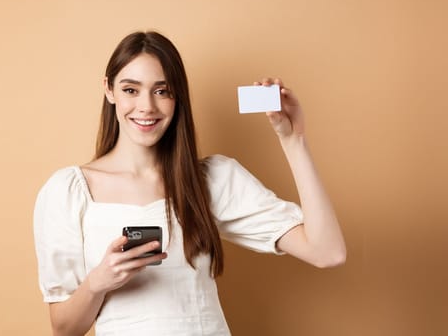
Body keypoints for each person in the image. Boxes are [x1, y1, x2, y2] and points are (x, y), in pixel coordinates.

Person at [33, 31, 346, 336]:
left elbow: (327, 252)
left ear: (177, 96)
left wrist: (294, 140)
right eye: (131, 90)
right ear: (109, 89)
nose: (146, 107)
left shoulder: (210, 180)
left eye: (161, 91)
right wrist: (98, 282)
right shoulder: (68, 191)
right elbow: (64, 329)